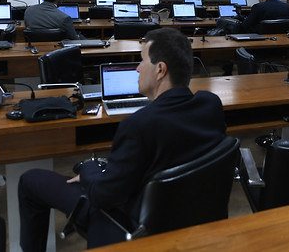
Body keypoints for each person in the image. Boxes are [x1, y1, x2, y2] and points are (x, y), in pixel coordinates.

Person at [17, 28, 226, 250]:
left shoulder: (138, 124)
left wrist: (88, 169)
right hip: (189, 216)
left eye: (142, 61)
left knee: (30, 181)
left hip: (130, 222)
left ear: (160, 70)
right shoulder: (210, 104)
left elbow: (102, 195)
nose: (137, 68)